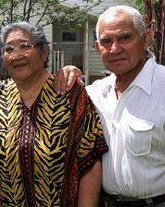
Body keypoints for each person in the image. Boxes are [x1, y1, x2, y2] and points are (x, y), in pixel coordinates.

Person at [0, 22, 108, 206]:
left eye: (25, 46)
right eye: (9, 49)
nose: (16, 55)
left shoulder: (71, 95)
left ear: (44, 52)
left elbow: (90, 164)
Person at [57, 5, 165, 207]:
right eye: (107, 41)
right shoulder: (94, 94)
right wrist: (67, 74)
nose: (115, 49)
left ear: (146, 39)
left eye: (125, 38)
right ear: (98, 47)